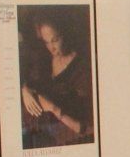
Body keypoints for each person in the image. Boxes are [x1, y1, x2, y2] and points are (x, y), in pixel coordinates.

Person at [19, 13, 94, 148]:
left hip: (64, 139)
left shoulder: (82, 69)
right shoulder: (44, 56)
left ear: (65, 33)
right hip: (35, 131)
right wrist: (24, 88)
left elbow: (85, 128)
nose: (51, 48)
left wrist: (53, 108)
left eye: (55, 40)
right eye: (46, 42)